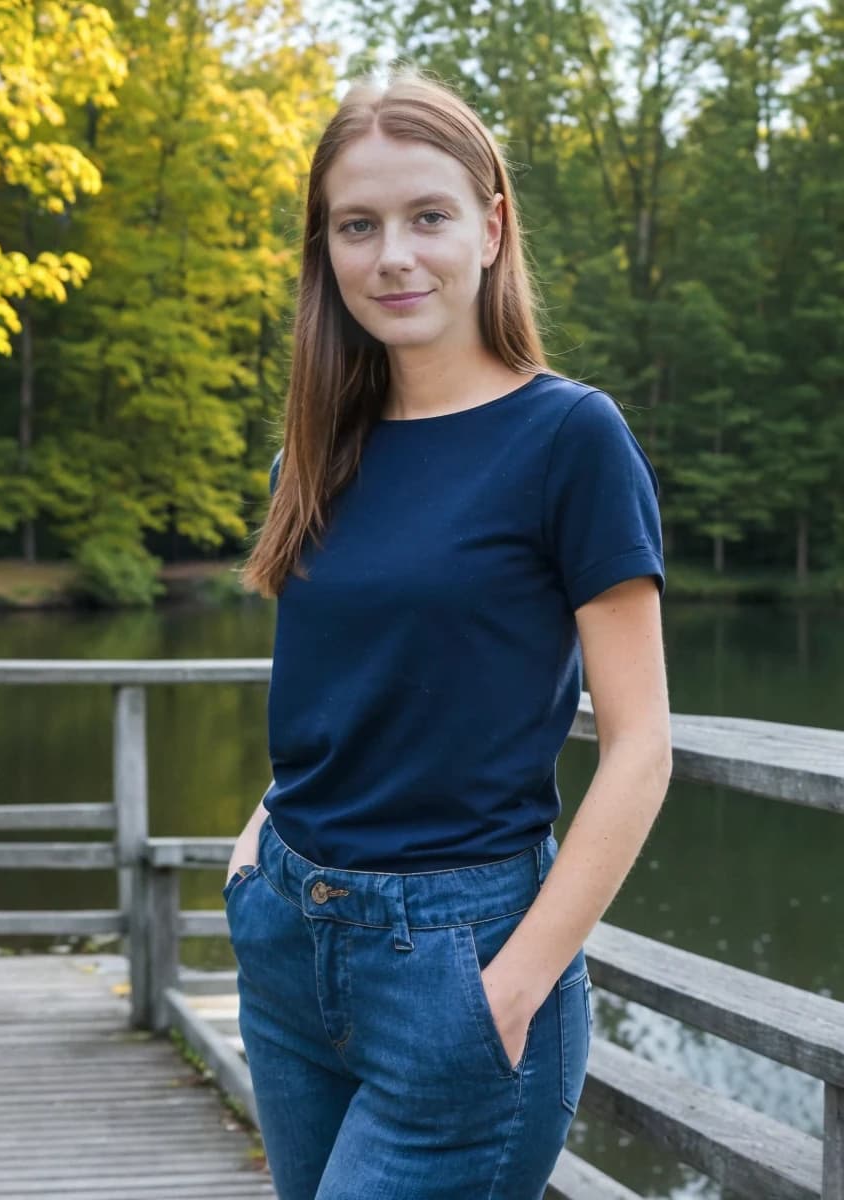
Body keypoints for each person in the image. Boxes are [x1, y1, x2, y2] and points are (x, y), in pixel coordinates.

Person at [224, 67, 671, 1199]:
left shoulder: (569, 438)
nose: (392, 257)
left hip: (461, 960)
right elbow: (335, 692)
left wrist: (515, 984)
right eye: (355, 226)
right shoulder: (314, 456)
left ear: (489, 224)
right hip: (288, 933)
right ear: (323, 249)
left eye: (426, 216)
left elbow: (638, 745)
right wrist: (252, 849)